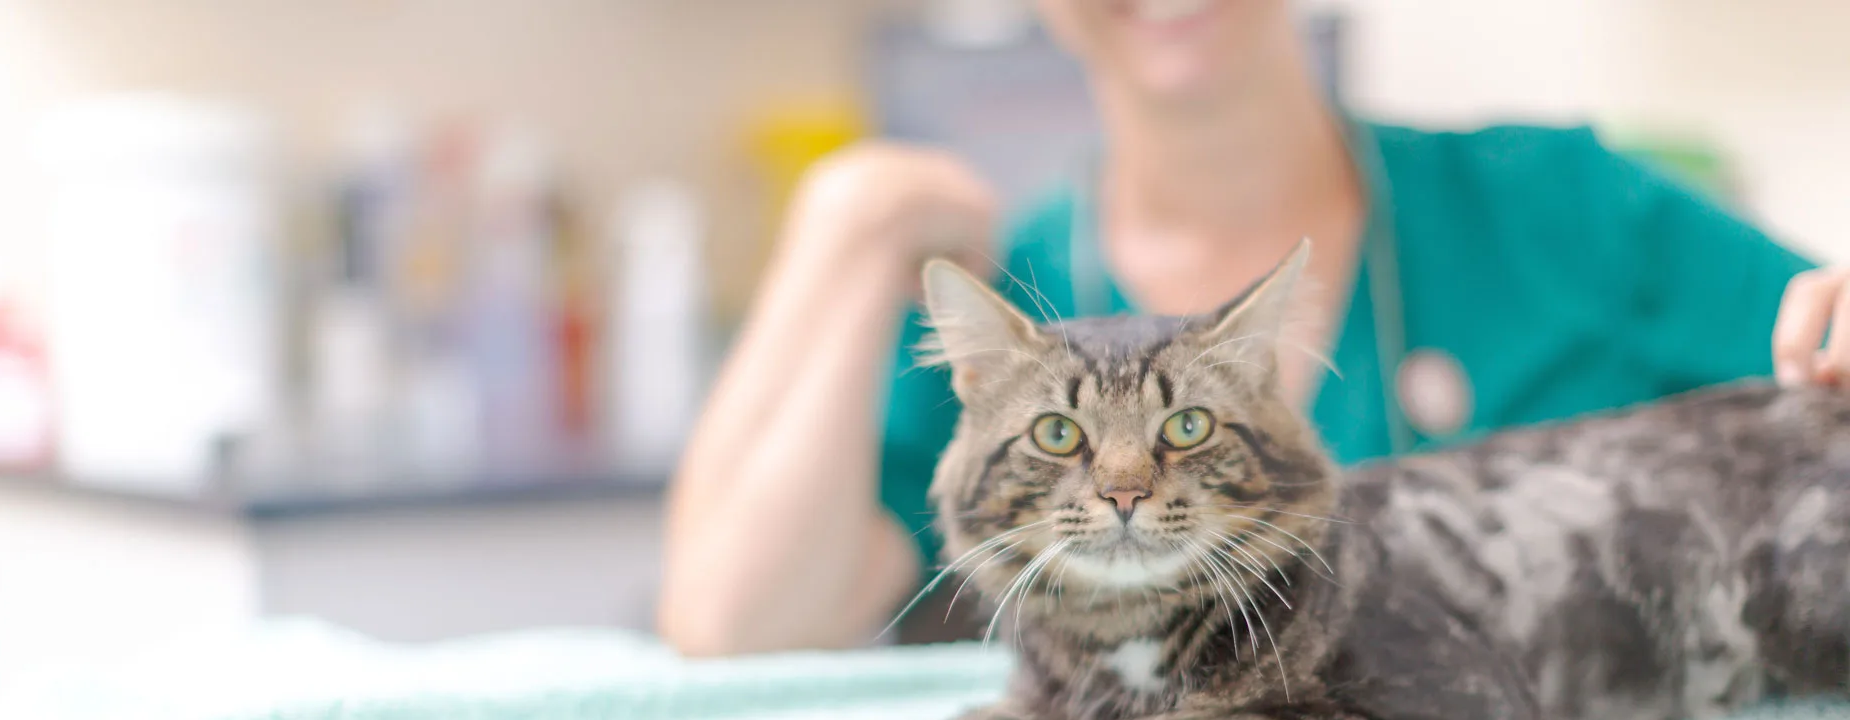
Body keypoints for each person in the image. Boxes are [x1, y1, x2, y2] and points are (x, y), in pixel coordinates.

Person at [660, 0, 1849, 657]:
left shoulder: (1562, 211)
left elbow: (1828, 369)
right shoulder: (1003, 312)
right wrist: (843, 236)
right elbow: (733, 620)